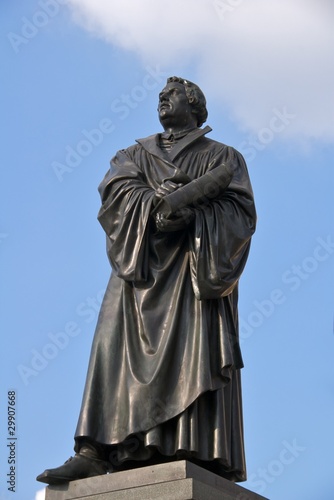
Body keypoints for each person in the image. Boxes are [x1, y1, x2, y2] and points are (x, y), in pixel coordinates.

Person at [37, 76, 256, 485]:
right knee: (109, 345)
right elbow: (115, 193)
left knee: (190, 350)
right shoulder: (134, 154)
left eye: (172, 94)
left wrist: (193, 215)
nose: (162, 99)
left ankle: (187, 445)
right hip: (138, 266)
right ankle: (95, 449)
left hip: (191, 271)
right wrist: (157, 202)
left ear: (194, 104)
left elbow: (240, 216)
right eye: (160, 95)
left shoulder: (223, 157)